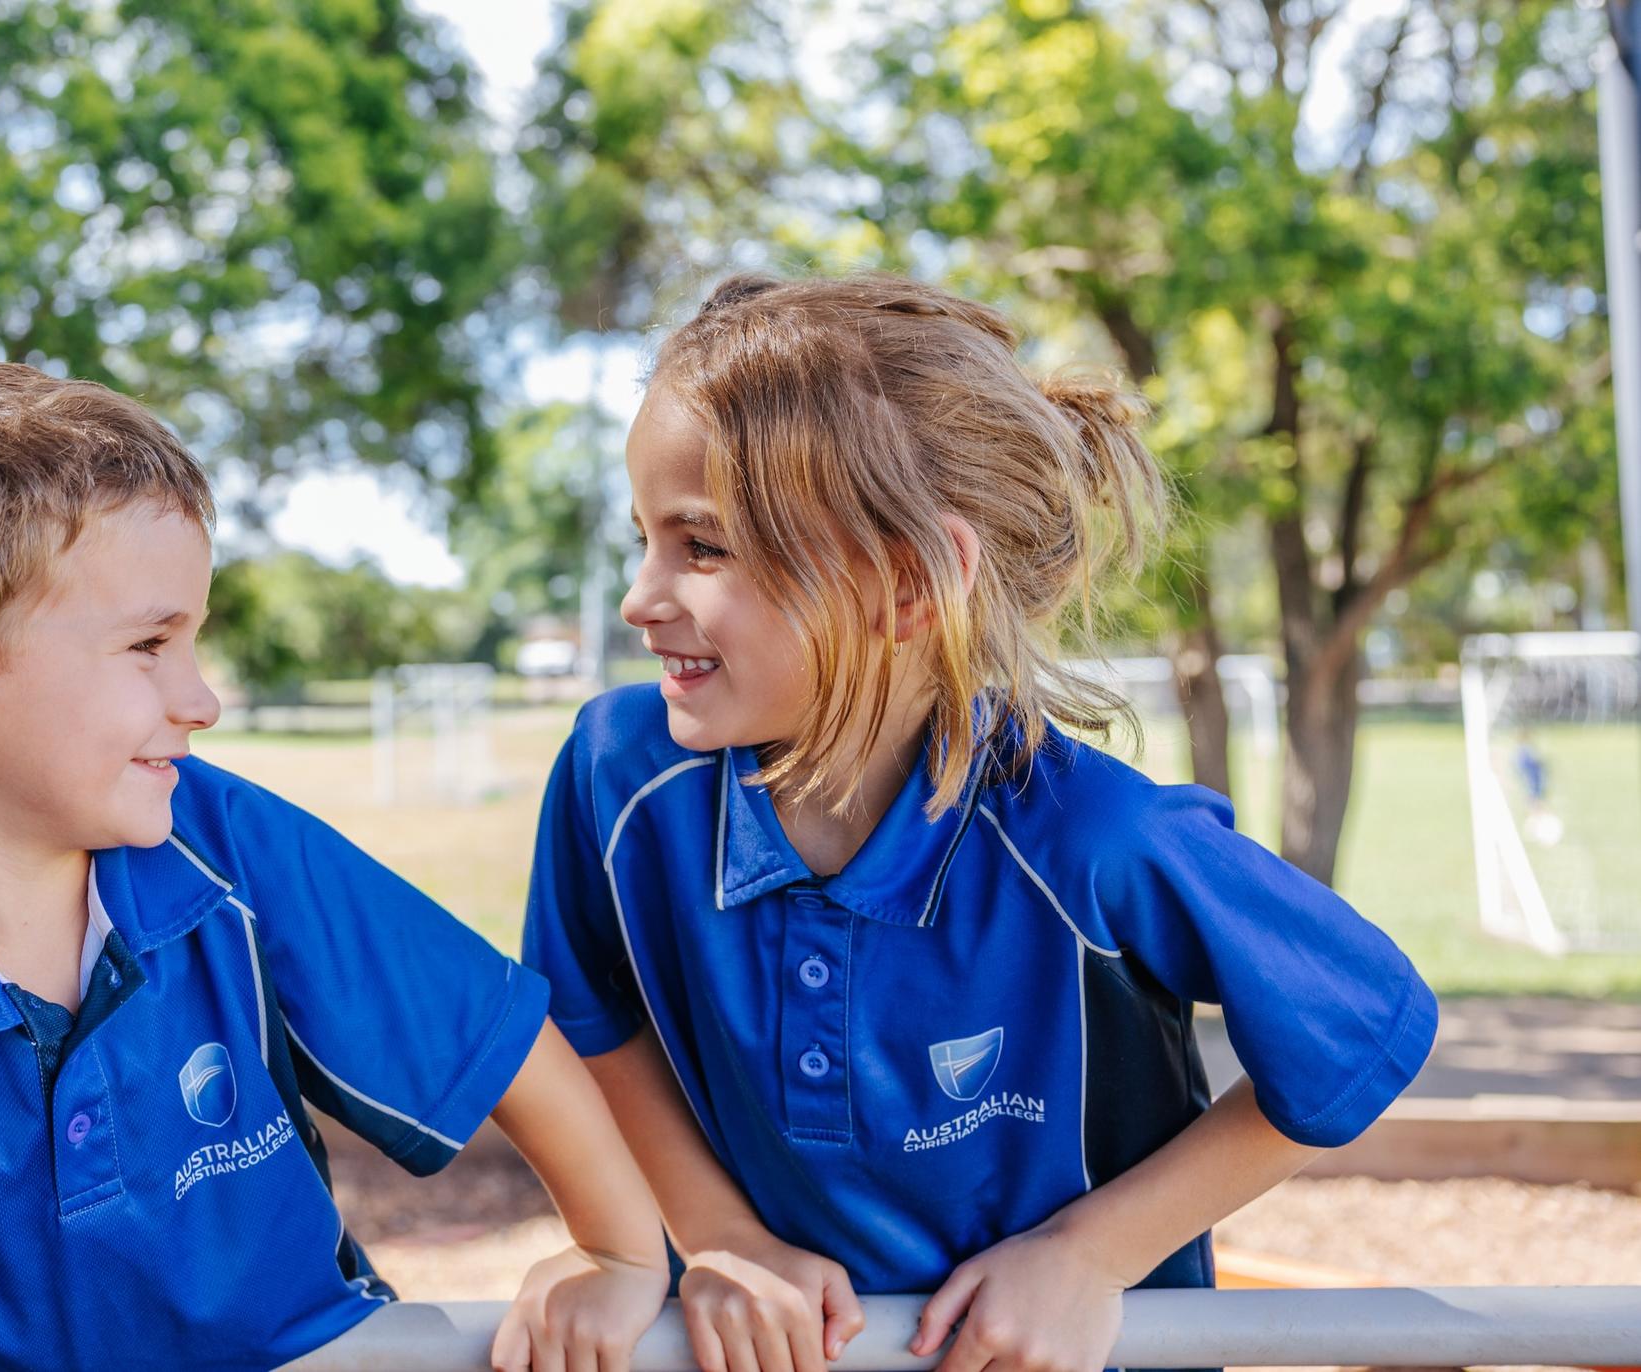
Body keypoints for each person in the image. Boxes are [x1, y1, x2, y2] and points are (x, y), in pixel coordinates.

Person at [0, 357, 669, 1372]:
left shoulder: (223, 844)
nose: (201, 697)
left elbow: (490, 1028)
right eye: (150, 645)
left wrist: (621, 1251)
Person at [524, 273, 1436, 1372]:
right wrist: (722, 1236)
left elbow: (1361, 1028)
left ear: (907, 585)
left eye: (701, 547)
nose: (639, 595)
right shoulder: (618, 779)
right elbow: (593, 1015)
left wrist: (1091, 1256)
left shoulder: (1093, 837)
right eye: (644, 537)